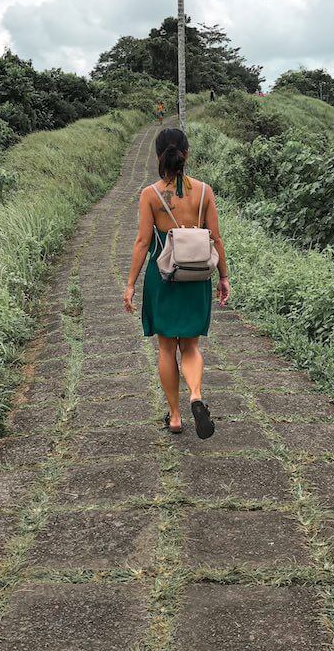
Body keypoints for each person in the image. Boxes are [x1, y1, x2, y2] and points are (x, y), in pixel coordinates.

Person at [123, 128, 230, 437]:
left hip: (164, 276)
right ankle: (196, 394)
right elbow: (216, 239)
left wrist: (130, 284)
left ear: (159, 156)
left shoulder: (150, 194)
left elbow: (143, 242)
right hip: (196, 276)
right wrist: (223, 276)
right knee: (192, 345)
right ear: (187, 153)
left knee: (167, 348)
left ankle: (174, 416)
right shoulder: (204, 191)